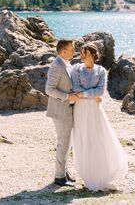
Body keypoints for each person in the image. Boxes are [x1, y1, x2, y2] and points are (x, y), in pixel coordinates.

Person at [71, 43, 128, 191]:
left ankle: (101, 174)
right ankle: (88, 175)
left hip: (96, 110)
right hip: (81, 108)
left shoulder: (101, 71)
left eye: (85, 53)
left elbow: (100, 91)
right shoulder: (76, 69)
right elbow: (76, 88)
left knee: (98, 138)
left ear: (93, 55)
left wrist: (84, 95)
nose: (82, 55)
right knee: (84, 139)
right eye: (81, 53)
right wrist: (91, 95)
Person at [45, 39, 78, 186]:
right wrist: (67, 97)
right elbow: (49, 89)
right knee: (63, 143)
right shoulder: (57, 66)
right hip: (60, 111)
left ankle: (64, 172)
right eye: (72, 49)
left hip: (68, 110)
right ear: (64, 51)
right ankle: (59, 177)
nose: (74, 52)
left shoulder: (67, 63)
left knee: (67, 144)